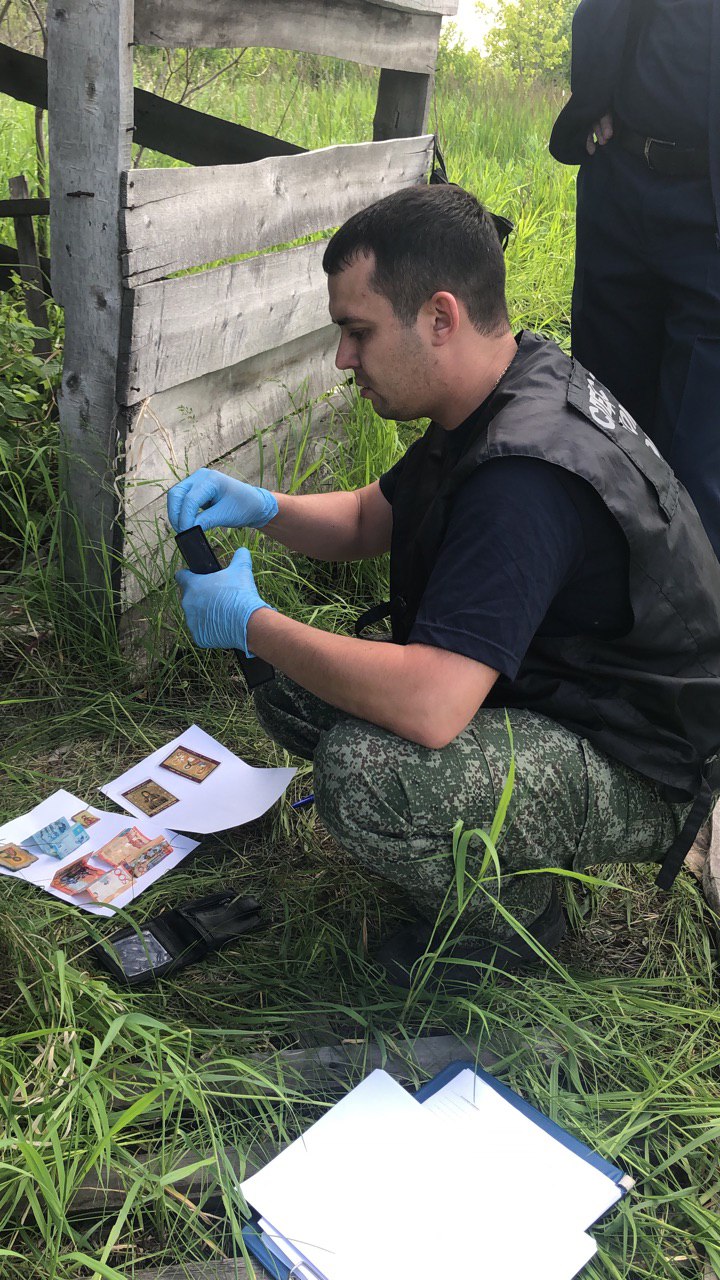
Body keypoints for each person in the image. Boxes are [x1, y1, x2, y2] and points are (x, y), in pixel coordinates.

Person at [167, 184, 720, 989]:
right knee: (301, 692)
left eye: (357, 332)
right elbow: (369, 516)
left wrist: (252, 623)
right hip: (576, 689)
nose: (342, 360)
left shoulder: (526, 477)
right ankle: (507, 858)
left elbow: (430, 705)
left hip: (647, 760)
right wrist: (262, 508)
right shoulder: (501, 385)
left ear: (439, 316)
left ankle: (517, 917)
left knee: (363, 774)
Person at [550, 0, 720, 555]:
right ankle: (597, 611)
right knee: (606, 420)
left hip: (710, 207)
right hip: (620, 176)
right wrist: (593, 93)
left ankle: (689, 630)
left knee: (698, 454)